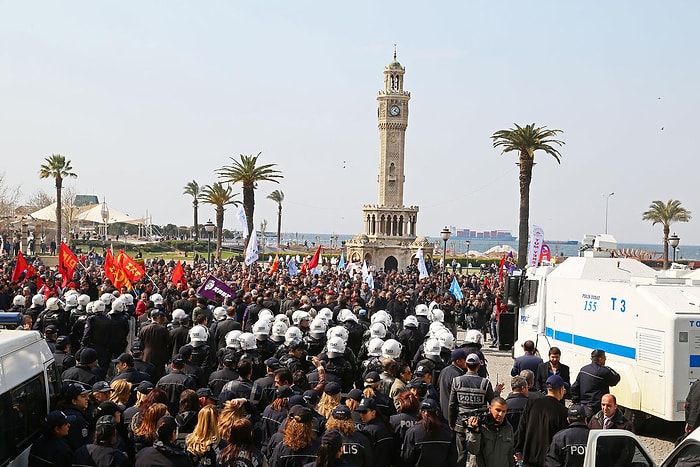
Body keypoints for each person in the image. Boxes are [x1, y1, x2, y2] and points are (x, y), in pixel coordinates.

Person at [448, 353, 502, 467]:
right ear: (478, 366)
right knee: (477, 453)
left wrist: (451, 423)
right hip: (478, 425)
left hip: (460, 424)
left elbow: (452, 405)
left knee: (461, 455)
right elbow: (492, 403)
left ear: (466, 365)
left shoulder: (456, 381)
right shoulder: (485, 383)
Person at [515, 375, 569, 467]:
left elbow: (521, 428)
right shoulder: (563, 411)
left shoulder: (531, 404)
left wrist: (518, 450)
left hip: (529, 458)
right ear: (560, 390)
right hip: (550, 460)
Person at [402, 398, 456, 467]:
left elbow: (407, 457)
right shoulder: (448, 432)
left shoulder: (412, 432)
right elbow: (453, 458)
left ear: (420, 412)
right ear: (436, 412)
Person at [465, 396, 514, 467]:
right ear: (490, 409)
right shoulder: (479, 426)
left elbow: (510, 454)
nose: (501, 414)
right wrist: (475, 432)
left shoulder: (508, 428)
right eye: (498, 410)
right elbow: (473, 450)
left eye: (503, 411)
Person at [571, 350, 621, 418]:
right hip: (595, 409)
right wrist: (608, 368)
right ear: (600, 359)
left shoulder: (584, 369)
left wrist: (575, 402)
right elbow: (616, 379)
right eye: (604, 357)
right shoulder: (603, 371)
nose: (605, 359)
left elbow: (574, 387)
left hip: (583, 407)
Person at [356, 397, 394, 467]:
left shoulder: (369, 430)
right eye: (359, 412)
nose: (361, 414)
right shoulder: (385, 425)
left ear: (373, 412)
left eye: (364, 412)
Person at [438, 348, 467, 421]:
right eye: (464, 359)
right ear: (458, 361)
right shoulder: (458, 375)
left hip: (443, 411)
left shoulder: (444, 370)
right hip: (453, 414)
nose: (466, 362)